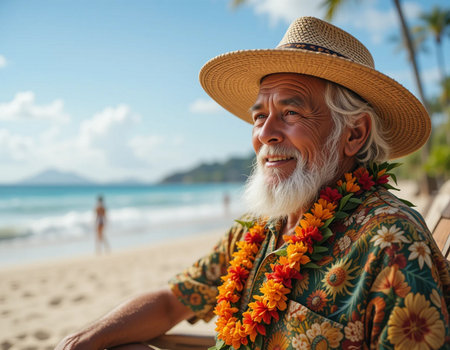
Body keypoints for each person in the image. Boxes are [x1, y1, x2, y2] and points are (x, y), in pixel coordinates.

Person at [56, 16, 449, 349]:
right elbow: (173, 302)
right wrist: (80, 341)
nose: (266, 134)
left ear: (354, 134)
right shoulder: (261, 228)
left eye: (291, 111)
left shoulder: (392, 244)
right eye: (260, 116)